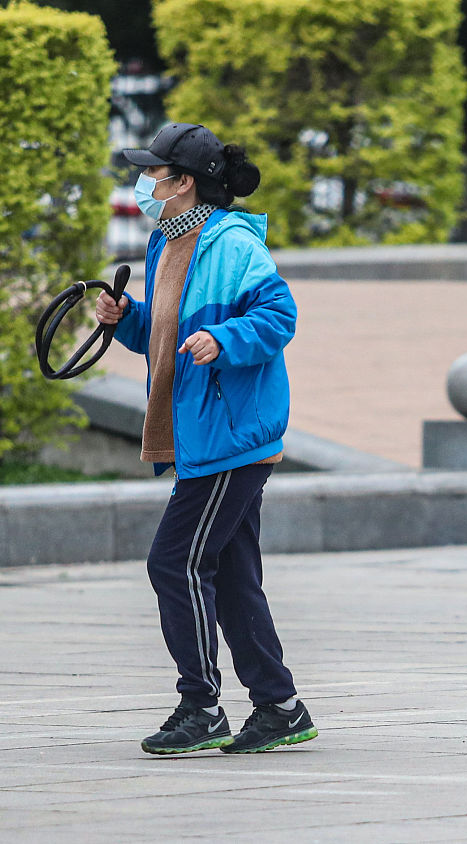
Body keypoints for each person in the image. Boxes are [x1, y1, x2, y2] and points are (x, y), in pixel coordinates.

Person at [95, 122, 317, 755]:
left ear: (184, 183)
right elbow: (169, 339)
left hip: (229, 437)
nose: (145, 183)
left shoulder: (233, 243)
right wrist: (128, 320)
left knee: (176, 562)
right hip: (205, 434)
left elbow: (278, 318)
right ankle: (280, 708)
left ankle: (202, 707)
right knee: (231, 575)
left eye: (155, 173)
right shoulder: (167, 244)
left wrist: (225, 340)